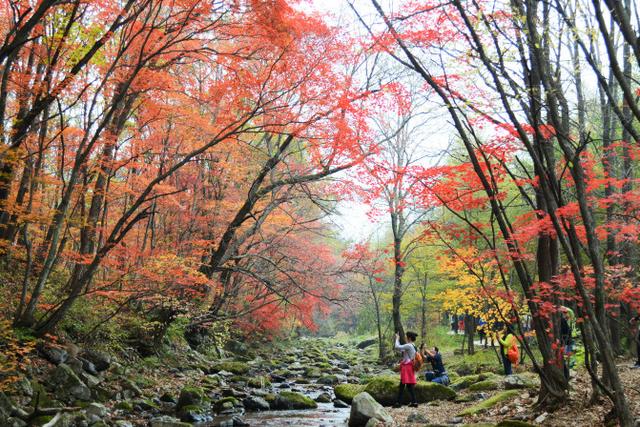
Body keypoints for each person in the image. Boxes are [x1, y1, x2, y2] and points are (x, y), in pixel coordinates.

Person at [393, 331, 419, 408]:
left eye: (406, 336)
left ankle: (398, 403)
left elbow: (397, 347)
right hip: (410, 366)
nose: (405, 337)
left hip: (407, 367)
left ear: (409, 338)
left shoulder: (409, 345)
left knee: (402, 385)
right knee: (409, 385)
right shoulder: (413, 346)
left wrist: (397, 339)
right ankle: (414, 402)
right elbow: (403, 351)